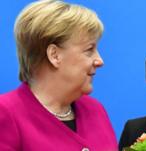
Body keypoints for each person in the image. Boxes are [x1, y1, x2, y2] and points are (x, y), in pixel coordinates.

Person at [0, 0, 118, 150]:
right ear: (54, 55)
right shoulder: (6, 113)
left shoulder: (95, 110)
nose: (99, 61)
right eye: (89, 50)